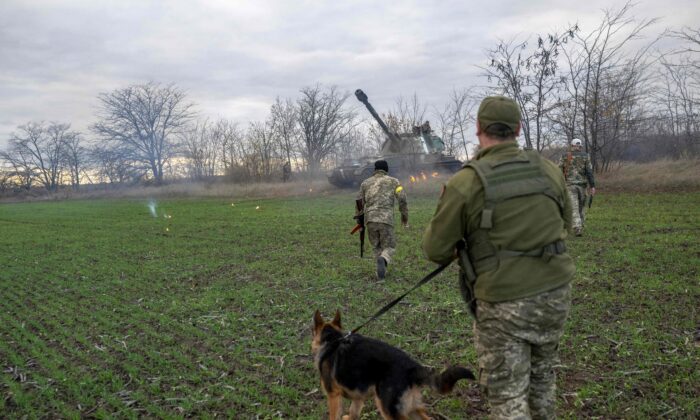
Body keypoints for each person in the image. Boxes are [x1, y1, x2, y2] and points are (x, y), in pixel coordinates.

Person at [422, 96, 575, 419]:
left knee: (507, 398)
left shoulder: (467, 182)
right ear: (518, 129)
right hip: (555, 294)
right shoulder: (548, 169)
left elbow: (435, 250)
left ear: (478, 129)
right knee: (542, 380)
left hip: (504, 302)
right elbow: (564, 222)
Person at [357, 160, 408, 280]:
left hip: (370, 220)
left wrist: (359, 220)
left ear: (375, 169)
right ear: (386, 169)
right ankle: (384, 259)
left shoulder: (365, 183)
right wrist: (404, 216)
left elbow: (359, 202)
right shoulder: (395, 182)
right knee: (390, 247)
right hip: (386, 219)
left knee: (376, 246)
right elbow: (402, 198)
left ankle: (381, 272)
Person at [559, 138, 596, 236]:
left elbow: (559, 170)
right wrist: (592, 186)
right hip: (582, 186)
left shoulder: (565, 156)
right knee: (580, 207)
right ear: (580, 146)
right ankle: (579, 225)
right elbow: (589, 172)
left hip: (569, 185)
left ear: (572, 145)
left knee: (574, 207)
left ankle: (577, 227)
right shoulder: (586, 156)